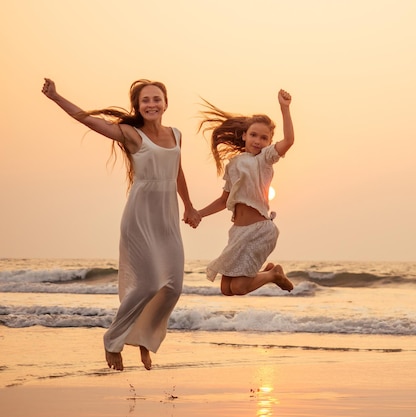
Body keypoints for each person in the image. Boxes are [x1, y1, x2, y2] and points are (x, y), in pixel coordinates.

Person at [41, 78, 201, 371]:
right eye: (145, 100)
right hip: (140, 216)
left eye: (156, 99)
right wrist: (56, 97)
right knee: (149, 283)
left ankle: (143, 338)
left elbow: (177, 172)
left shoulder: (176, 134)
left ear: (166, 103)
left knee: (173, 286)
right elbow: (88, 120)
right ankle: (112, 340)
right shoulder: (130, 133)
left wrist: (189, 206)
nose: (151, 104)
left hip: (167, 216)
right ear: (137, 106)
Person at [197, 89, 295, 296]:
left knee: (240, 288)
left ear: (269, 142)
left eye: (264, 137)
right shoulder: (233, 165)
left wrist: (284, 108)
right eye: (253, 135)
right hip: (238, 232)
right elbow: (224, 200)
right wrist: (199, 214)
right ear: (244, 135)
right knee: (226, 289)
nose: (258, 140)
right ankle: (270, 273)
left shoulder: (265, 159)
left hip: (259, 231)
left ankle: (273, 275)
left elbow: (288, 141)